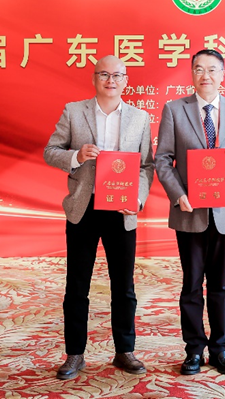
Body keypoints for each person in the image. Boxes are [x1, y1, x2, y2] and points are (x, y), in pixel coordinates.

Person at [44, 55, 154, 380]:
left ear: (126, 81)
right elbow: (51, 151)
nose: (110, 81)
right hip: (84, 207)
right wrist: (76, 156)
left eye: (117, 75)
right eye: (104, 74)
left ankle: (125, 350)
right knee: (77, 285)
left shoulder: (139, 118)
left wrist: (138, 199)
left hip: (122, 209)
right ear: (94, 79)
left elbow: (146, 166)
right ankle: (75, 354)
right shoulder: (74, 111)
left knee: (124, 285)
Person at [155, 49, 225, 376]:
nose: (206, 76)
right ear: (191, 74)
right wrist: (178, 195)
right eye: (199, 69)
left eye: (212, 70)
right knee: (191, 284)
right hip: (189, 210)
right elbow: (163, 159)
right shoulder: (174, 110)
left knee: (220, 284)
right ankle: (193, 350)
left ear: (223, 74)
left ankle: (220, 349)